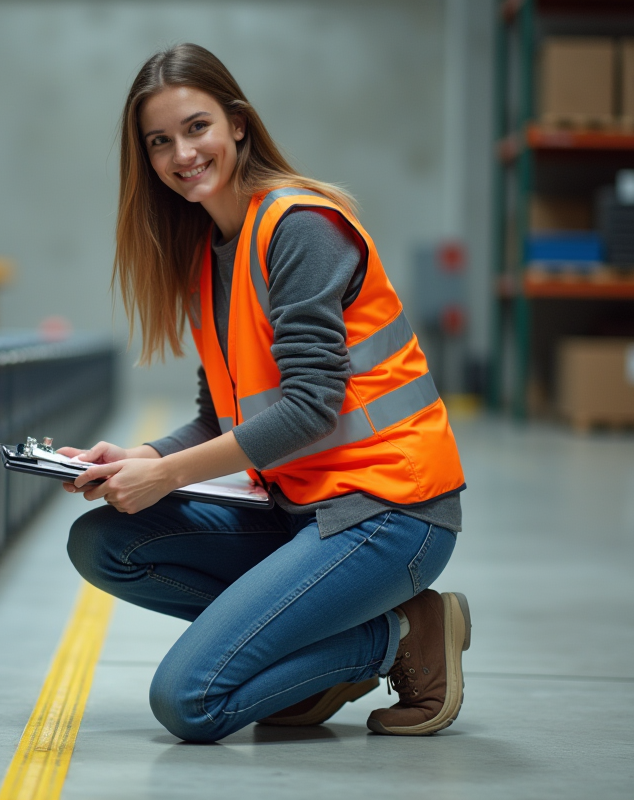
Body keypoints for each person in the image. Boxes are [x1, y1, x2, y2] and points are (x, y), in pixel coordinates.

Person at [61, 43, 471, 743]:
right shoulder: (208, 253)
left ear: (238, 125)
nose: (182, 154)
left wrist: (166, 476)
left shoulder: (299, 228)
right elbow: (215, 417)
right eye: (160, 142)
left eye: (197, 127)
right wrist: (138, 454)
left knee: (189, 701)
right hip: (302, 511)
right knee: (105, 544)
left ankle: (402, 633)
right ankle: (319, 650)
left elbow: (311, 406)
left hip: (390, 513)